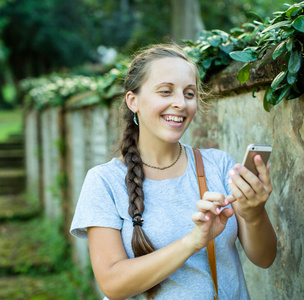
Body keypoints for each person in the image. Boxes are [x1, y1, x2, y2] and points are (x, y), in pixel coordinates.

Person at [70, 44, 277, 300]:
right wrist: (193, 241)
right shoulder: (104, 181)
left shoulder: (219, 165)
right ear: (133, 101)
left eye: (189, 94)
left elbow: (265, 258)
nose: (180, 103)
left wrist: (254, 213)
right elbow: (112, 284)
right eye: (166, 92)